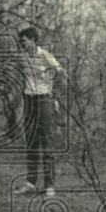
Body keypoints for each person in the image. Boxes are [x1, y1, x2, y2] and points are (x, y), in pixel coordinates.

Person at [14, 26, 65, 196]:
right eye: (20, 42)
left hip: (44, 100)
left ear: (32, 40)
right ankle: (31, 183)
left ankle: (49, 185)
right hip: (29, 101)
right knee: (31, 142)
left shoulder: (45, 56)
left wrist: (54, 96)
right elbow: (20, 75)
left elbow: (61, 75)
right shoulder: (22, 58)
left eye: (24, 41)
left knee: (47, 142)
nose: (21, 45)